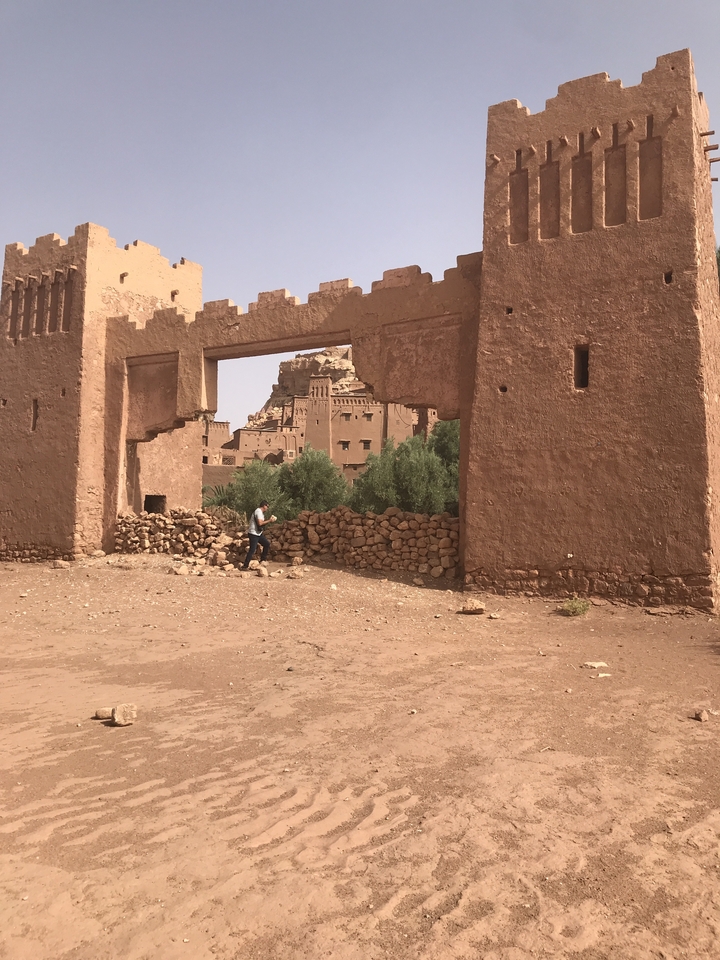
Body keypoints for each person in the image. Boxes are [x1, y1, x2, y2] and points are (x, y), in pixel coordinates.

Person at [243, 500, 277, 568]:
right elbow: (260, 523)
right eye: (267, 506)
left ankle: (263, 560)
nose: (267, 508)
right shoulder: (258, 511)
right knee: (252, 550)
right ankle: (245, 566)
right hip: (253, 534)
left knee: (266, 544)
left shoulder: (260, 512)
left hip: (258, 534)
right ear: (264, 506)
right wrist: (270, 520)